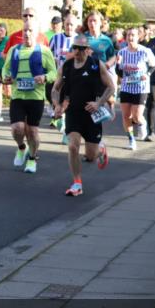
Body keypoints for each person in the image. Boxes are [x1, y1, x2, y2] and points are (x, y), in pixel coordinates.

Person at [52, 35, 115, 196]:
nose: (78, 52)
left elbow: (111, 87)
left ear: (88, 50)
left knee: (90, 155)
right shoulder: (66, 67)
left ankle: (100, 151)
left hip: (92, 114)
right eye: (75, 48)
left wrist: (99, 103)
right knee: (73, 146)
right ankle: (77, 183)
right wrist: (57, 105)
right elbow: (55, 89)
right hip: (73, 112)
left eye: (81, 49)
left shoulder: (96, 65)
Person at [2, 15, 57, 173]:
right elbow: (6, 68)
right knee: (17, 129)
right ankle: (21, 148)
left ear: (37, 33)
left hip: (36, 98)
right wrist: (7, 76)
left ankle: (32, 160)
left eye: (30, 30)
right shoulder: (14, 50)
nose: (27, 34)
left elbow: (54, 72)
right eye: (25, 30)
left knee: (32, 131)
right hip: (18, 96)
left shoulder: (44, 51)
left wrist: (45, 77)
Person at [117, 27, 155, 149]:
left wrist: (147, 74)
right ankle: (131, 139)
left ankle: (142, 124)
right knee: (126, 116)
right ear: (126, 37)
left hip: (141, 88)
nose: (130, 37)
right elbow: (118, 71)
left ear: (138, 37)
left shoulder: (145, 51)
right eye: (128, 35)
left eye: (133, 35)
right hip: (126, 87)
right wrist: (119, 66)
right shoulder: (121, 52)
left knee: (137, 116)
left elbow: (153, 65)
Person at [48, 13, 78, 128]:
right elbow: (48, 55)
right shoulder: (55, 38)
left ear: (75, 26)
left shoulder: (78, 39)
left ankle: (65, 123)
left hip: (74, 76)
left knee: (70, 101)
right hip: (59, 75)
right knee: (57, 98)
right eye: (67, 24)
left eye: (71, 24)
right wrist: (53, 60)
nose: (69, 27)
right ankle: (58, 118)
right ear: (63, 25)